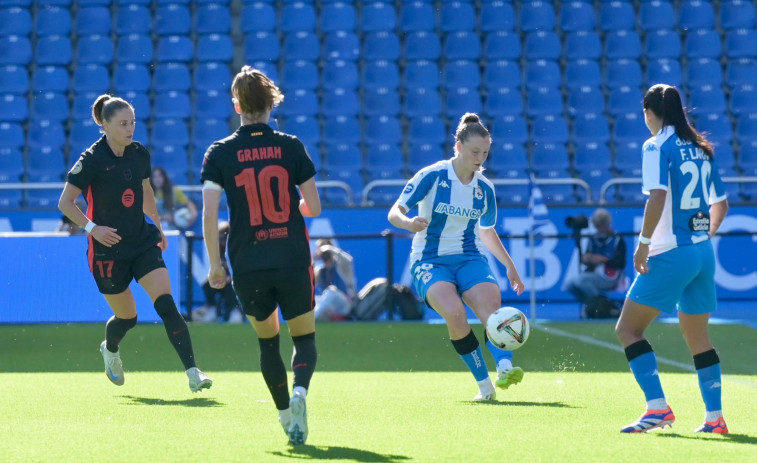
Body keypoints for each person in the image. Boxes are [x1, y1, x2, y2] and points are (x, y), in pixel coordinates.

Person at [58, 94, 212, 392]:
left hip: (142, 241)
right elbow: (65, 203)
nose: (130, 129)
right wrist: (93, 229)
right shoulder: (91, 159)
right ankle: (110, 349)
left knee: (167, 305)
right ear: (104, 125)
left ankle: (193, 372)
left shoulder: (139, 153)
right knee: (127, 318)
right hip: (106, 250)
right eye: (123, 124)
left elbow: (145, 191)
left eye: (133, 123)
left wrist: (158, 226)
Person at [200, 66, 322, 445]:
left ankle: (287, 415)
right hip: (290, 255)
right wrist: (292, 206)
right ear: (272, 103)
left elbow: (209, 213)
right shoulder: (291, 146)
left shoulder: (219, 153)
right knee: (303, 339)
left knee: (268, 343)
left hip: (248, 261)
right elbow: (313, 207)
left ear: (236, 104)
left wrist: (215, 265)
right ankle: (300, 390)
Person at [615, 84, 729, 434]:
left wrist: (643, 243)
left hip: (670, 252)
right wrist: (699, 240)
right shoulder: (701, 147)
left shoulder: (655, 146)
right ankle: (715, 418)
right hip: (701, 252)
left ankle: (657, 409)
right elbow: (721, 204)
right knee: (699, 338)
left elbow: (658, 197)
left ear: (650, 112)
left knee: (628, 330)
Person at [388, 112, 525, 401]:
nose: (480, 158)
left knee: (492, 309)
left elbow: (486, 231)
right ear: (459, 147)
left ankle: (504, 368)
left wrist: (509, 265)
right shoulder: (432, 176)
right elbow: (394, 211)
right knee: (455, 313)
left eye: (485, 153)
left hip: (469, 256)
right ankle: (484, 386)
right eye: (475, 151)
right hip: (430, 259)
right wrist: (408, 223)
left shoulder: (484, 188)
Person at [561, 208, 626, 317]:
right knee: (569, 285)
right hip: (594, 273)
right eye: (597, 225)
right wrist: (587, 258)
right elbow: (586, 257)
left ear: (607, 224)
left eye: (601, 225)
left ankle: (600, 305)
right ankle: (596, 305)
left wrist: (603, 260)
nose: (598, 228)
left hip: (610, 276)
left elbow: (621, 262)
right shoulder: (593, 238)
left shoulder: (617, 239)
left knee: (580, 280)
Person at [194, 221, 244, 323]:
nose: (223, 241)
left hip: (238, 281)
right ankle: (211, 308)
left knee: (231, 286)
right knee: (207, 284)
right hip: (224, 280)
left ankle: (235, 311)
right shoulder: (218, 250)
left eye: (225, 237)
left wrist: (231, 277)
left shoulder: (239, 248)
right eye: (221, 237)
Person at [313, 238, 357, 321]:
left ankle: (312, 320)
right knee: (311, 299)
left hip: (345, 305)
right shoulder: (320, 270)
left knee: (331, 290)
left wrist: (329, 249)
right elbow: (310, 283)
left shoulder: (341, 266)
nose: (323, 253)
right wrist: (313, 260)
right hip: (328, 307)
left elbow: (348, 260)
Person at [150, 166, 198, 230]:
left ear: (164, 178)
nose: (157, 179)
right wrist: (163, 218)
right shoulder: (147, 195)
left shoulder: (174, 191)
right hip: (154, 228)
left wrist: (193, 214)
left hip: (172, 228)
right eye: (154, 177)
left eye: (160, 176)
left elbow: (189, 203)